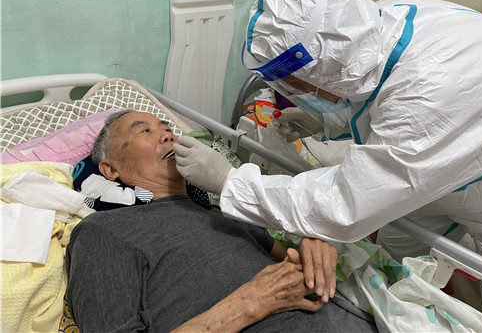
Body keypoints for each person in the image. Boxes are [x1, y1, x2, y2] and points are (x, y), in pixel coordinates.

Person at [173, 0, 482, 332]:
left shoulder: (427, 91)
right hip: (445, 164)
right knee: (394, 266)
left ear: (321, 69)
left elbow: (345, 205)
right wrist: (327, 119)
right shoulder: (368, 29)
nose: (292, 92)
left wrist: (230, 182)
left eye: (296, 84)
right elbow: (369, 88)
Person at [65, 110, 376, 332]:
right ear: (110, 170)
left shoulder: (223, 211)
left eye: (166, 127)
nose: (168, 135)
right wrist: (247, 304)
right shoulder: (105, 231)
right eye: (143, 131)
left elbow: (291, 259)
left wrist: (316, 248)